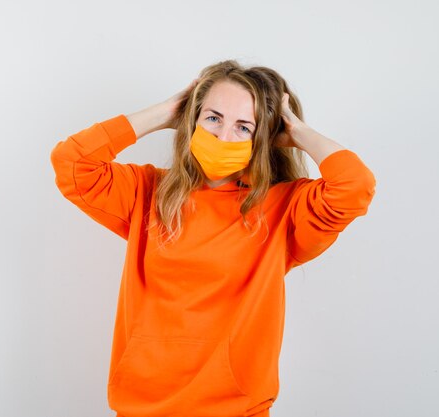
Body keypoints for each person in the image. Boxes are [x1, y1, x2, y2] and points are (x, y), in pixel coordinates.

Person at [50, 60, 375, 417]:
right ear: (192, 118)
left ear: (265, 135)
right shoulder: (148, 192)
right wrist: (164, 113)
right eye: (213, 118)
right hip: (142, 407)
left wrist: (296, 132)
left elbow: (354, 186)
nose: (223, 137)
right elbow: (71, 163)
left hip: (236, 410)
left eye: (244, 127)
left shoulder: (286, 209)